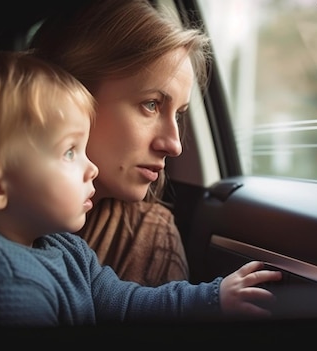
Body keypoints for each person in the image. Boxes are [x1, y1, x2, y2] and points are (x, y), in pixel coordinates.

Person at [0, 51, 282, 326]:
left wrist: (212, 299)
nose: (91, 167)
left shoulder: (58, 244)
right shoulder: (3, 285)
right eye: (69, 152)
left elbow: (124, 303)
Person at [28, 0, 209, 286]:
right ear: (69, 94)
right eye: (151, 104)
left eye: (179, 114)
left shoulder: (148, 236)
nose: (174, 145)